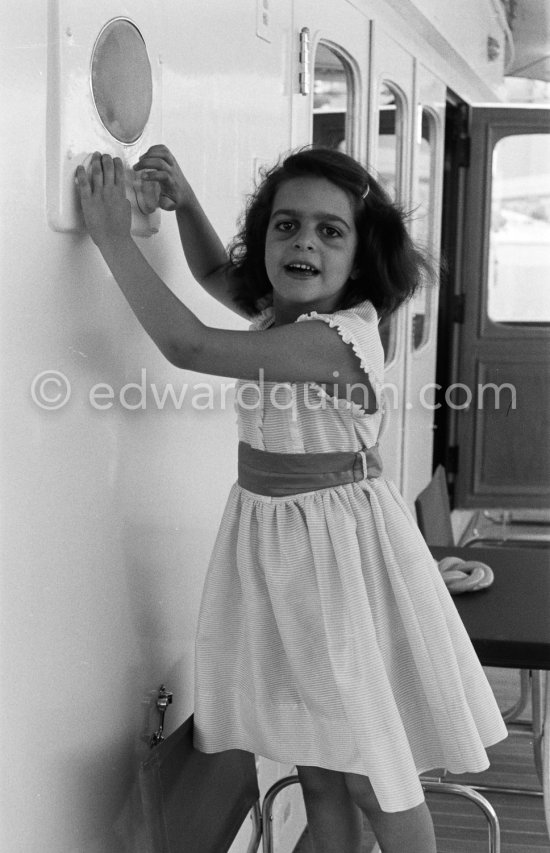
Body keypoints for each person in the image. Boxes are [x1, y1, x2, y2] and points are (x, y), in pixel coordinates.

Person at [76, 146, 507, 853]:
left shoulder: (336, 340)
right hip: (286, 554)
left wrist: (112, 238)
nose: (304, 240)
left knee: (372, 772)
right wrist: (185, 202)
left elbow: (188, 345)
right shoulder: (283, 314)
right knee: (321, 771)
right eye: (286, 225)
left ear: (360, 258)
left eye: (329, 231)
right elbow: (220, 275)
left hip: (339, 560)